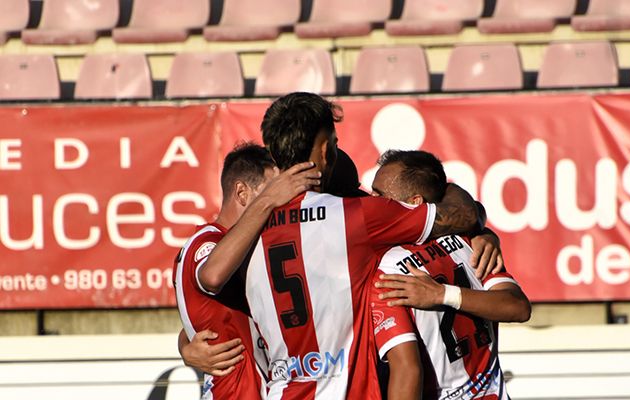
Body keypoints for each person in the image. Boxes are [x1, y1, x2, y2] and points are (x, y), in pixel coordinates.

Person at [198, 92, 484, 400]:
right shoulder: (358, 216)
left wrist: (187, 347)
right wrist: (463, 206)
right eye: (334, 142)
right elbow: (464, 215)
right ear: (325, 149)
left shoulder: (244, 235)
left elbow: (209, 290)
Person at [370, 150, 531, 399]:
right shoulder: (469, 241)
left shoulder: (386, 270)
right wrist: (486, 234)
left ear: (414, 203)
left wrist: (442, 294)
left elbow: (407, 373)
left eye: (379, 195)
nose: (370, 202)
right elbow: (517, 307)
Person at [173, 143, 321, 399]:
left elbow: (211, 319)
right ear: (242, 193)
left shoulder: (255, 248)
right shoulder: (207, 241)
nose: (281, 202)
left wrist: (185, 345)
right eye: (272, 191)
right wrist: (267, 201)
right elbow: (212, 276)